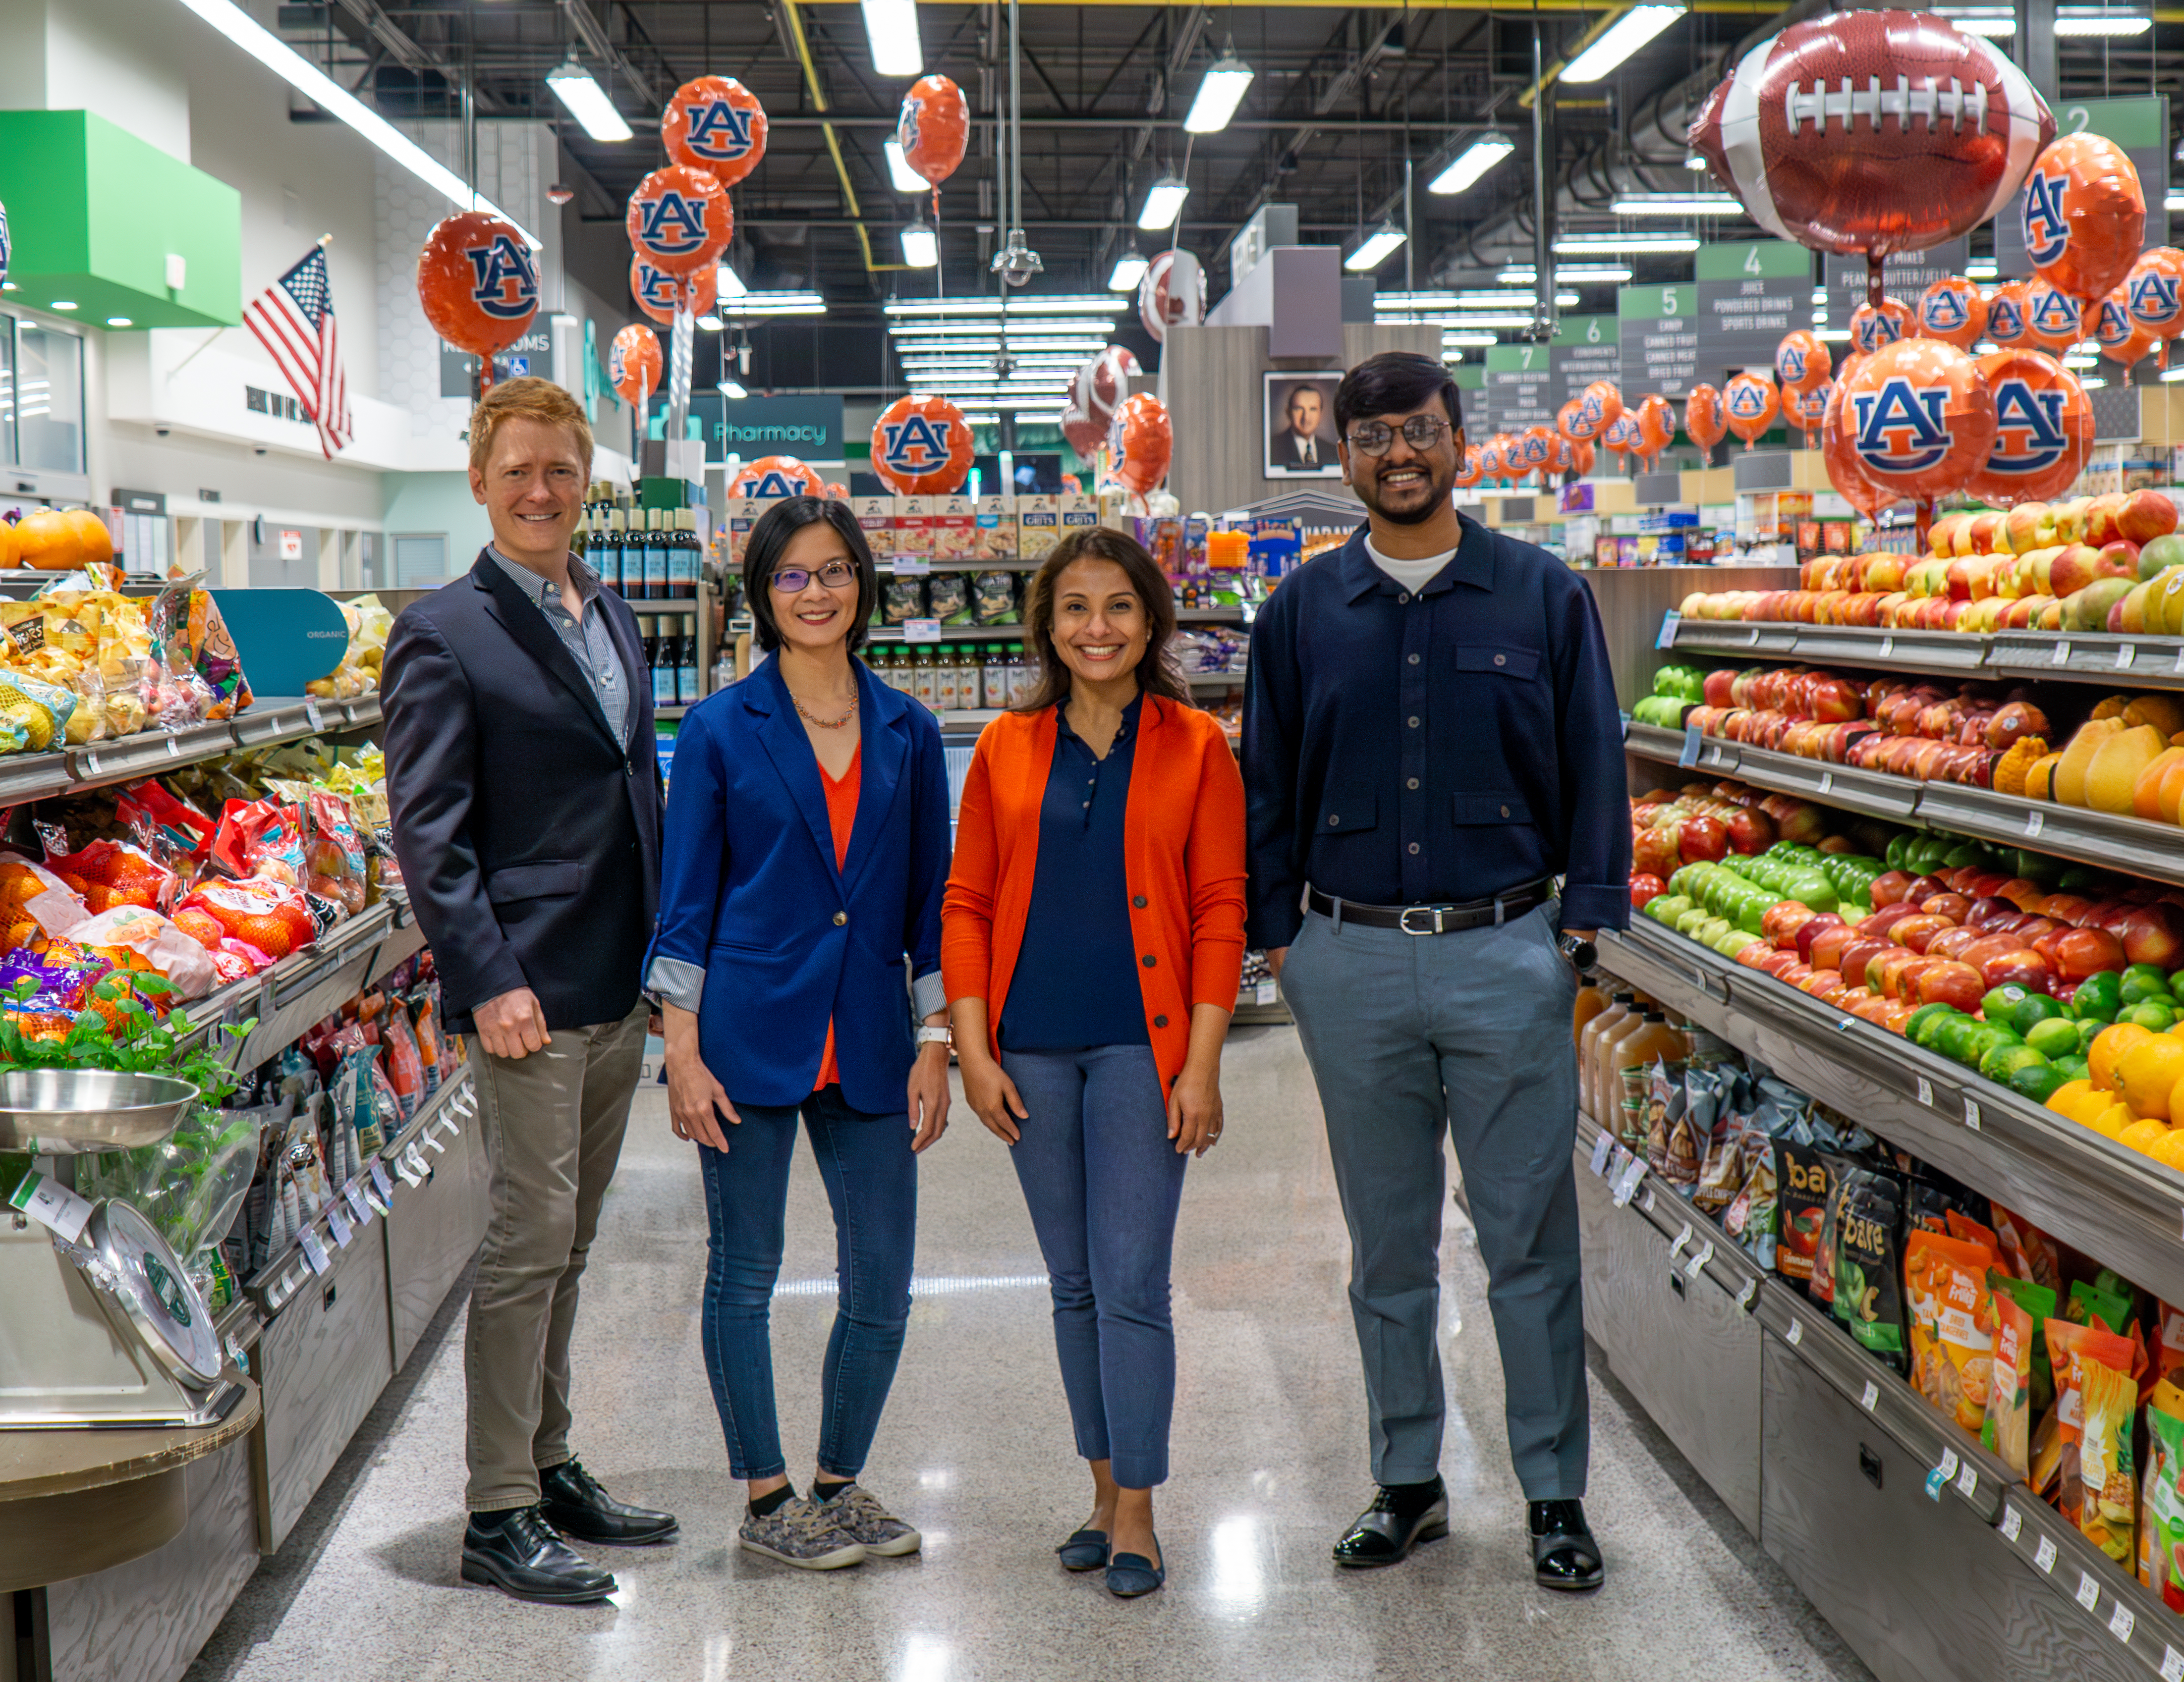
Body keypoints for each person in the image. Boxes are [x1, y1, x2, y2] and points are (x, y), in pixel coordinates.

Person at [1240, 350, 1630, 1592]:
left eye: (1419, 430)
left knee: (1528, 1241)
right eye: (1371, 436)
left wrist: (1579, 933)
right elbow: (1266, 788)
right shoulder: (1299, 615)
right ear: (1340, 455)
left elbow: (1594, 765)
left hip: (1508, 955)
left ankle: (1553, 1493)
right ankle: (1408, 1480)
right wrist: (1281, 942)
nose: (1397, 454)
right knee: (1387, 1244)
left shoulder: (1541, 595)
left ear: (1459, 439)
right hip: (1347, 961)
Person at [383, 377, 681, 1604]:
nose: (541, 491)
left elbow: (631, 785)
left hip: (616, 979)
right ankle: (496, 1509)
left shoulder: (609, 612)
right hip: (526, 994)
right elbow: (430, 833)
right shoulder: (443, 630)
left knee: (572, 1240)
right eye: (517, 470)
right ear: (478, 480)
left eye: (560, 468)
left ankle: (549, 1462)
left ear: (586, 478)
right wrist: (483, 976)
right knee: (523, 1242)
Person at [644, 497, 954, 1572]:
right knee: (748, 1271)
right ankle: (768, 1495)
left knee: (883, 1280)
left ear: (862, 584)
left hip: (870, 1035)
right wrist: (679, 1050)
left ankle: (839, 1480)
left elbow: (928, 907)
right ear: (761, 595)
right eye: (791, 576)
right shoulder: (725, 726)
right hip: (745, 1037)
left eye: (833, 572)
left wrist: (935, 1040)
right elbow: (684, 904)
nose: (815, 592)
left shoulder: (910, 729)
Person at [943, 527, 1247, 1601]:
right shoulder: (1004, 747)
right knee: (1071, 1285)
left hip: (1140, 1046)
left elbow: (1220, 911)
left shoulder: (1198, 743)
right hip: (1030, 1045)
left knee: (1129, 1284)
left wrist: (1200, 1066)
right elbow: (968, 902)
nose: (1097, 627)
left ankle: (1141, 1510)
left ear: (1152, 619)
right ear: (1047, 626)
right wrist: (972, 1051)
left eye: (1118, 606)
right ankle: (1099, 1486)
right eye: (1074, 608)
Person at [1271, 381, 1329, 473]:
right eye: (1299, 409)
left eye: (1313, 409)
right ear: (1288, 413)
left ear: (1321, 414)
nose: (1306, 417)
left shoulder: (1333, 451)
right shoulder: (1273, 448)